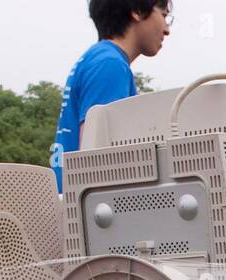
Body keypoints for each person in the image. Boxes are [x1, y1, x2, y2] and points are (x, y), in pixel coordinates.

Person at [51, 0, 172, 192]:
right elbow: (95, 158)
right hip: (84, 212)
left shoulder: (99, 57)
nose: (167, 30)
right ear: (138, 11)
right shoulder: (110, 65)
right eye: (164, 15)